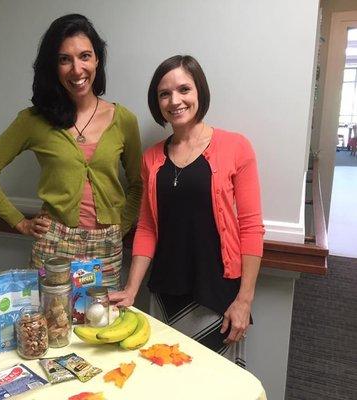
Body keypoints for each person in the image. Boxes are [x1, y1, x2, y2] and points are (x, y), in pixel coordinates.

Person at [109, 55, 264, 366]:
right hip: (165, 290)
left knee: (215, 385)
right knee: (165, 381)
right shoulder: (152, 158)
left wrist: (243, 301)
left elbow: (250, 227)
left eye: (184, 89)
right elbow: (147, 227)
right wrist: (130, 289)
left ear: (199, 93)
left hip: (217, 293)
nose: (174, 100)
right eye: (164, 94)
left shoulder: (236, 146)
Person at [0, 14, 142, 290]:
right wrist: (20, 223)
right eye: (65, 59)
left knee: (101, 327)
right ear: (54, 65)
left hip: (107, 248)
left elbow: (137, 184)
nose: (77, 69)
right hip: (54, 244)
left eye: (85, 56)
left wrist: (121, 227)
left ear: (98, 59)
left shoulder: (124, 120)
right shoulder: (34, 120)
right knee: (52, 327)